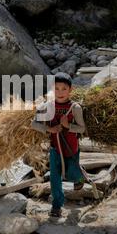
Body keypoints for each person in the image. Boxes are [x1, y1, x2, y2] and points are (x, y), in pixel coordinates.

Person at [31, 72, 86, 218]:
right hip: (55, 147)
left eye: (64, 89)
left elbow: (82, 128)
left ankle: (79, 178)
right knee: (55, 178)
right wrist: (49, 129)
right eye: (56, 88)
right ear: (51, 90)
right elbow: (34, 124)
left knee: (72, 174)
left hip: (71, 147)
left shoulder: (75, 108)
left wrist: (68, 126)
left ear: (70, 90)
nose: (60, 92)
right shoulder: (47, 106)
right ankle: (57, 205)